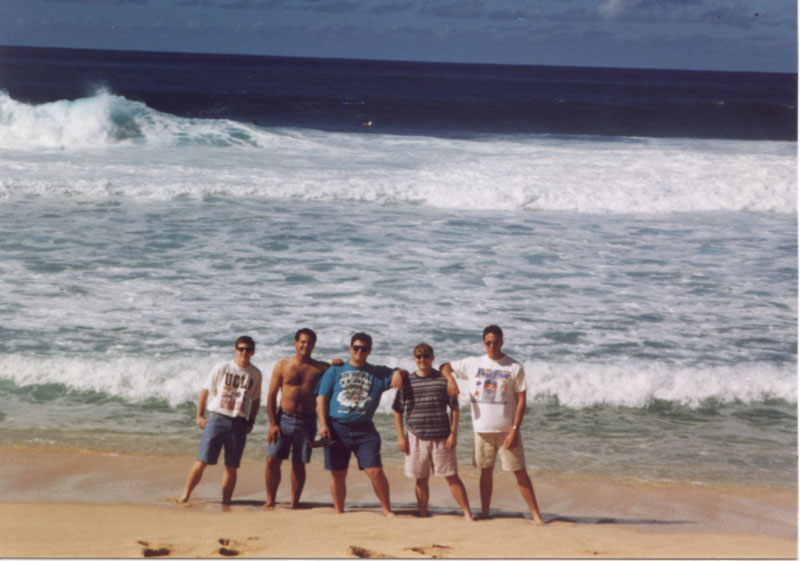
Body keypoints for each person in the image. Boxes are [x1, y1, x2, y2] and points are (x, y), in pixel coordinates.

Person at [440, 325, 545, 524]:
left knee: (520, 472)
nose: (492, 346)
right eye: (488, 343)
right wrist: (450, 380)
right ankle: (486, 513)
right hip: (481, 430)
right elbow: (445, 366)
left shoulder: (514, 367)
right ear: (483, 343)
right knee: (485, 472)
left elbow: (522, 400)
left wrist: (515, 429)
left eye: (496, 342)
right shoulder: (473, 363)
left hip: (507, 431)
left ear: (502, 342)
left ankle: (536, 516)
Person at [315, 332, 406, 516]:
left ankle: (387, 511)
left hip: (364, 430)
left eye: (364, 349)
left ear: (369, 351)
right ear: (350, 348)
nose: (359, 351)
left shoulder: (377, 373)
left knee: (375, 471)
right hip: (336, 427)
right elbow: (321, 398)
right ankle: (339, 511)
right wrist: (323, 424)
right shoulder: (335, 370)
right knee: (338, 473)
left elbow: (404, 373)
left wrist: (397, 372)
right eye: (356, 347)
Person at [393, 343, 473, 520]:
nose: (422, 359)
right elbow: (398, 410)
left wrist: (453, 433)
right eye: (419, 356)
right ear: (414, 358)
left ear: (432, 357)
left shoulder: (443, 380)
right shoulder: (406, 381)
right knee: (421, 479)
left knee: (452, 476)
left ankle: (467, 513)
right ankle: (422, 514)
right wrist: (400, 437)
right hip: (416, 436)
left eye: (426, 356)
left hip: (442, 437)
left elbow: (454, 408)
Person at [180, 336, 263, 505]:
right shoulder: (223, 367)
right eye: (241, 349)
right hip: (217, 418)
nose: (244, 352)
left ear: (253, 352)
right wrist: (200, 416)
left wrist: (252, 420)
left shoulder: (255, 373)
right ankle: (185, 495)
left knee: (231, 466)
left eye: (248, 349)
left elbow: (255, 400)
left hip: (239, 421)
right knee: (202, 460)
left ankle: (226, 501)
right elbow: (205, 391)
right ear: (235, 350)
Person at [265, 328, 332, 509]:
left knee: (299, 463)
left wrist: (338, 363)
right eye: (302, 341)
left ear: (314, 345)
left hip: (307, 421)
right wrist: (273, 424)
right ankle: (270, 500)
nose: (306, 345)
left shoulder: (321, 368)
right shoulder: (282, 366)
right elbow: (271, 396)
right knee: (272, 460)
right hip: (283, 419)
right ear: (295, 343)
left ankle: (295, 503)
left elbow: (340, 375)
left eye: (310, 342)